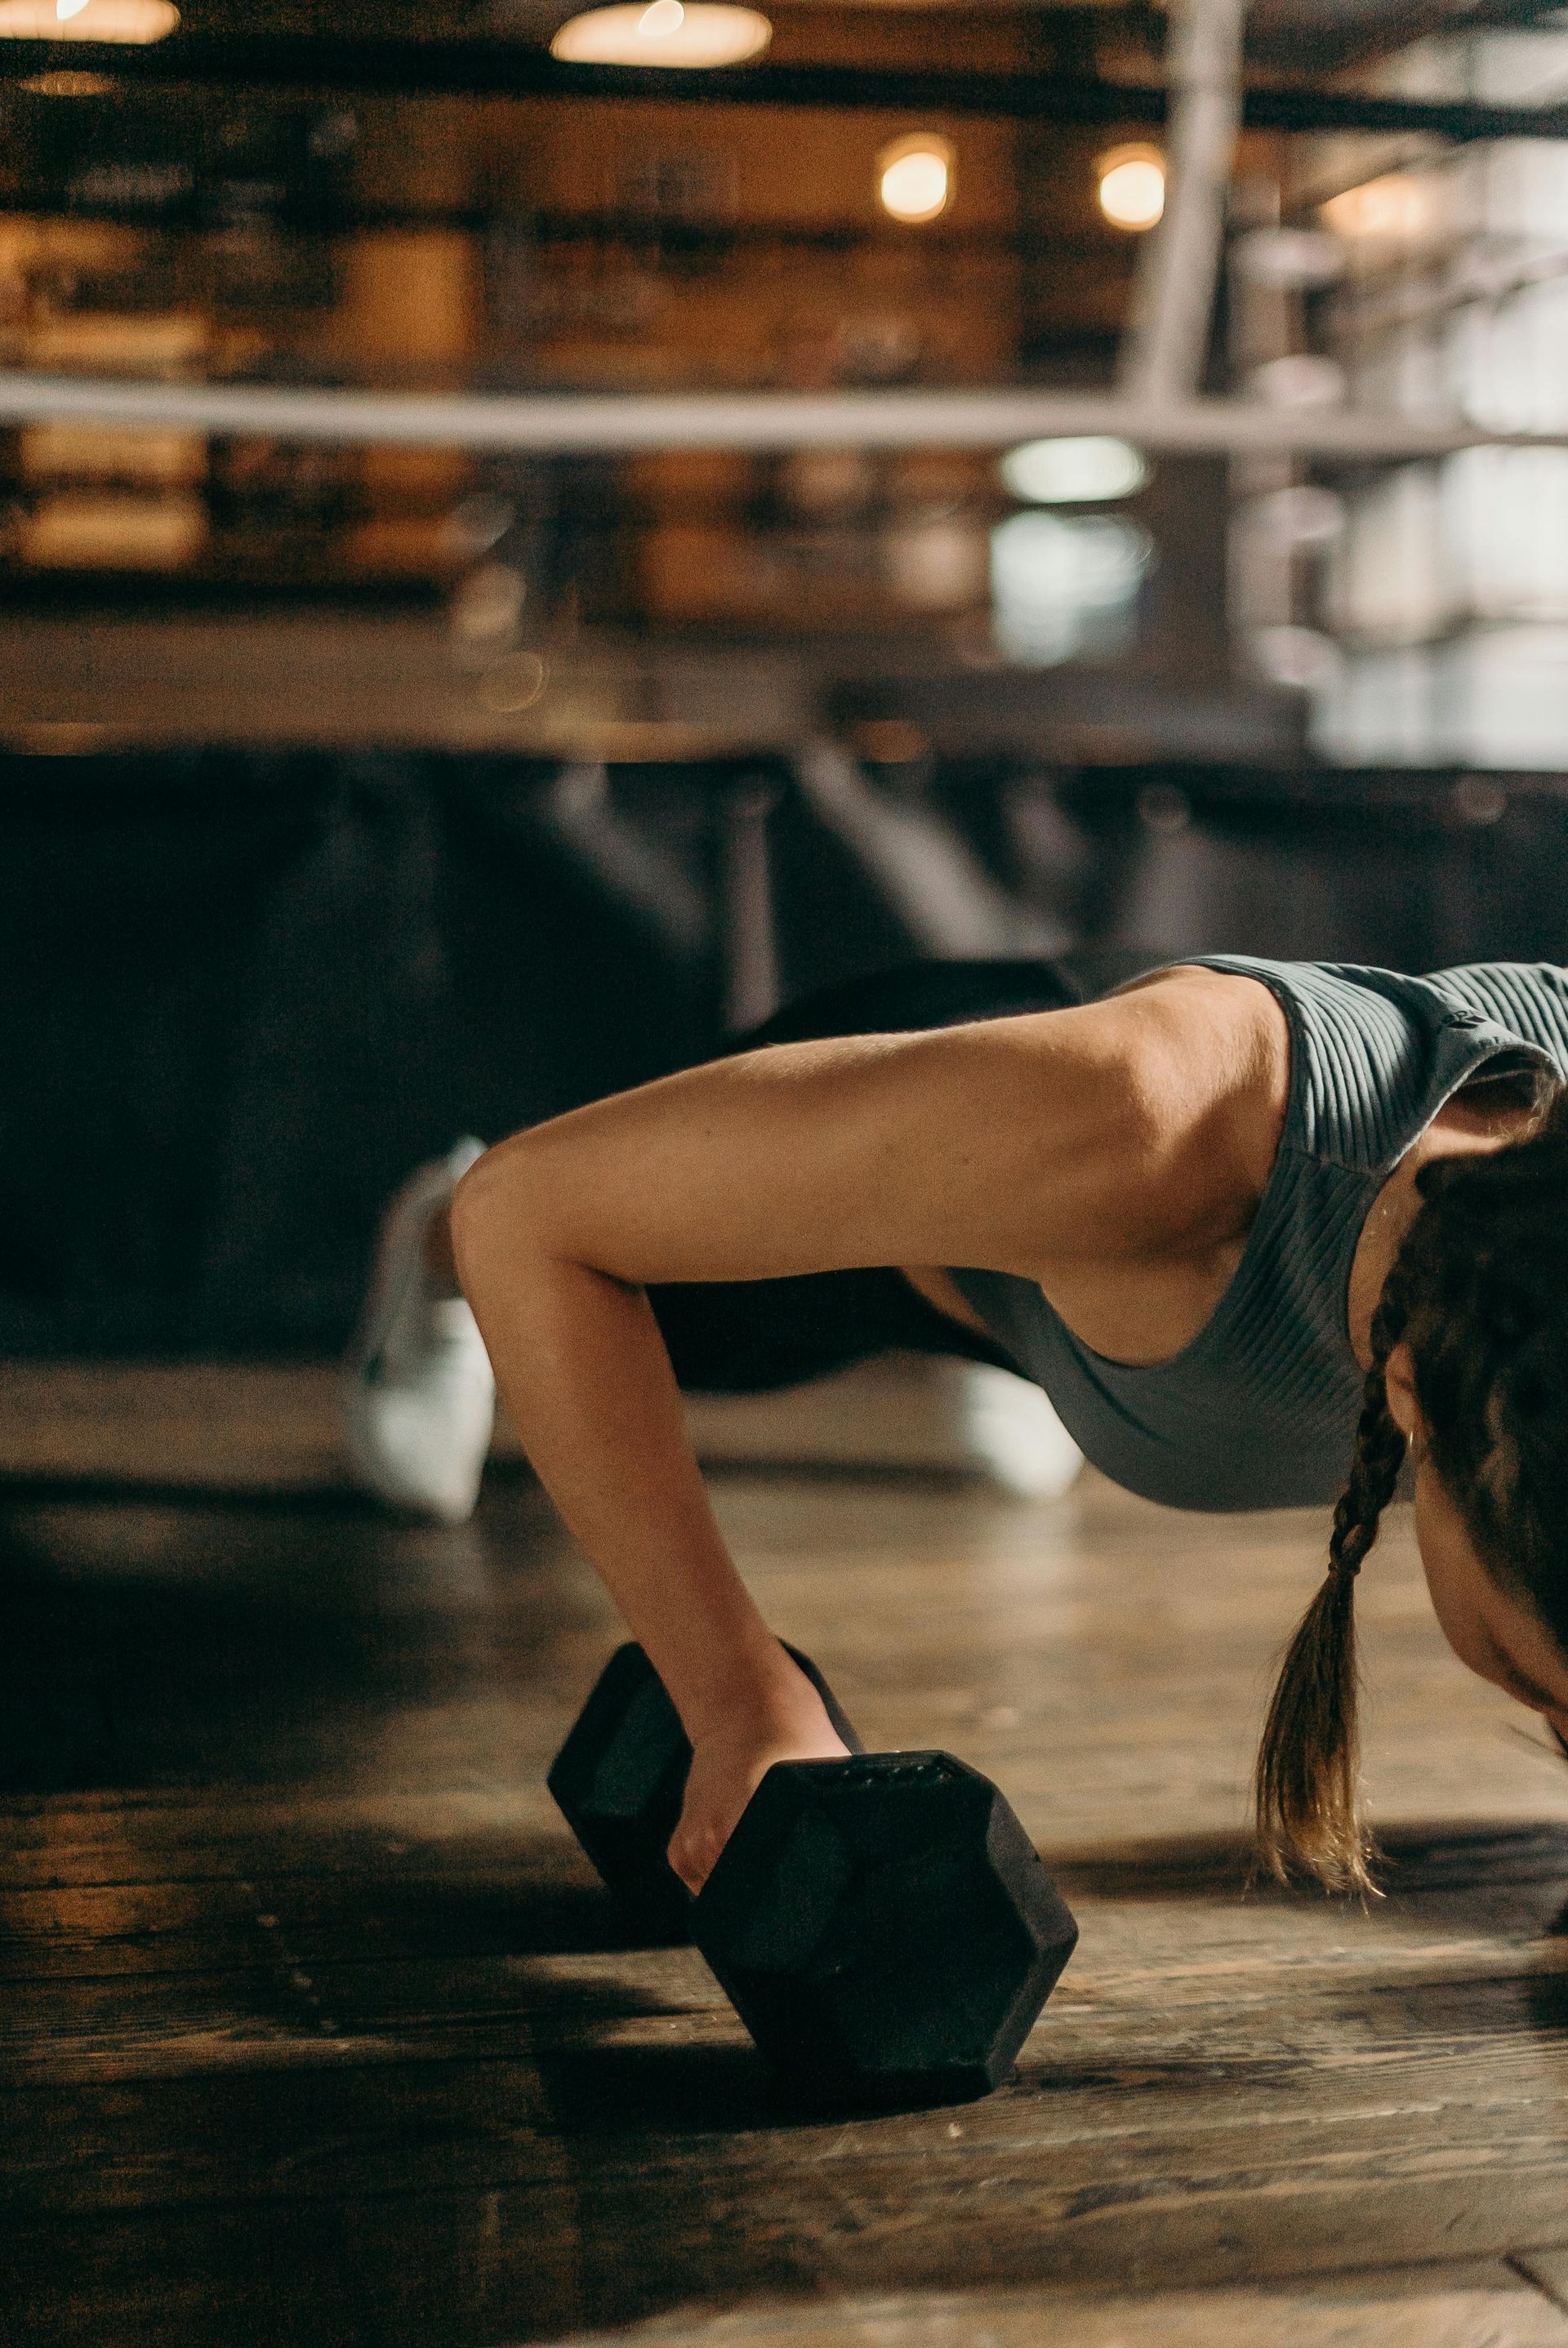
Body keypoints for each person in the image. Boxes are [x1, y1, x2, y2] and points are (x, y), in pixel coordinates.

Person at [373, 956, 1568, 1898]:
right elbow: (532, 1214)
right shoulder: (1149, 1133)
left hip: (1102, 1215)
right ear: (1415, 1397)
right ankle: (420, 1241)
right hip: (1015, 1107)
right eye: (1550, 1698)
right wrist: (739, 1697)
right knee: (567, 1251)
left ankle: (1050, 1336)